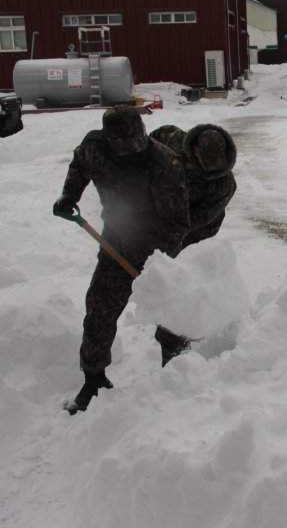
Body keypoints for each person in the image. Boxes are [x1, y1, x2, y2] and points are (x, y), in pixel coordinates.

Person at [53, 105, 190, 414]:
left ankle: (181, 370)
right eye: (122, 147)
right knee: (99, 308)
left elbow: (177, 223)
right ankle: (94, 378)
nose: (130, 152)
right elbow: (79, 166)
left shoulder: (163, 162)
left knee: (169, 311)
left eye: (134, 145)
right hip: (114, 241)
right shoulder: (94, 148)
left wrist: (155, 265)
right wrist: (69, 195)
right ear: (109, 139)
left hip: (156, 249)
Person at [149, 124, 237, 248]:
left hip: (196, 230)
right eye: (207, 163)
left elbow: (198, 218)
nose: (213, 171)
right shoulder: (174, 140)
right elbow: (152, 141)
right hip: (165, 204)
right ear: (196, 151)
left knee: (168, 256)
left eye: (217, 163)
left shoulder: (225, 183)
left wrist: (165, 231)